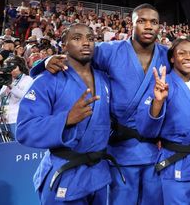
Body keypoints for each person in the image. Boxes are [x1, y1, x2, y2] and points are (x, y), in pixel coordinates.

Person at [34, 3, 190, 204]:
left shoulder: (165, 53)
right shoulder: (109, 51)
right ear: (132, 25)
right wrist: (47, 60)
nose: (148, 26)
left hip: (153, 150)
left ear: (159, 27)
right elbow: (77, 55)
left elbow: (185, 64)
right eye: (142, 21)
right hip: (119, 148)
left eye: (153, 22)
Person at [16, 23, 118, 204]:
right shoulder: (48, 79)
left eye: (90, 38)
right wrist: (65, 120)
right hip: (65, 172)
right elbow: (24, 129)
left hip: (99, 175)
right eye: (77, 38)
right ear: (64, 45)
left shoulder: (104, 79)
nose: (86, 43)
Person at [149, 38, 190, 205]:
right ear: (172, 58)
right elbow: (147, 126)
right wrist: (158, 102)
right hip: (177, 161)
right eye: (181, 53)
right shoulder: (164, 83)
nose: (188, 57)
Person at [0, 56, 33, 143]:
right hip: (3, 120)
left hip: (16, 119)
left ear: (20, 67)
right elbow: (2, 98)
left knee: (15, 146)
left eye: (13, 67)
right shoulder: (9, 80)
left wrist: (10, 85)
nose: (11, 70)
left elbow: (26, 97)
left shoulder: (28, 80)